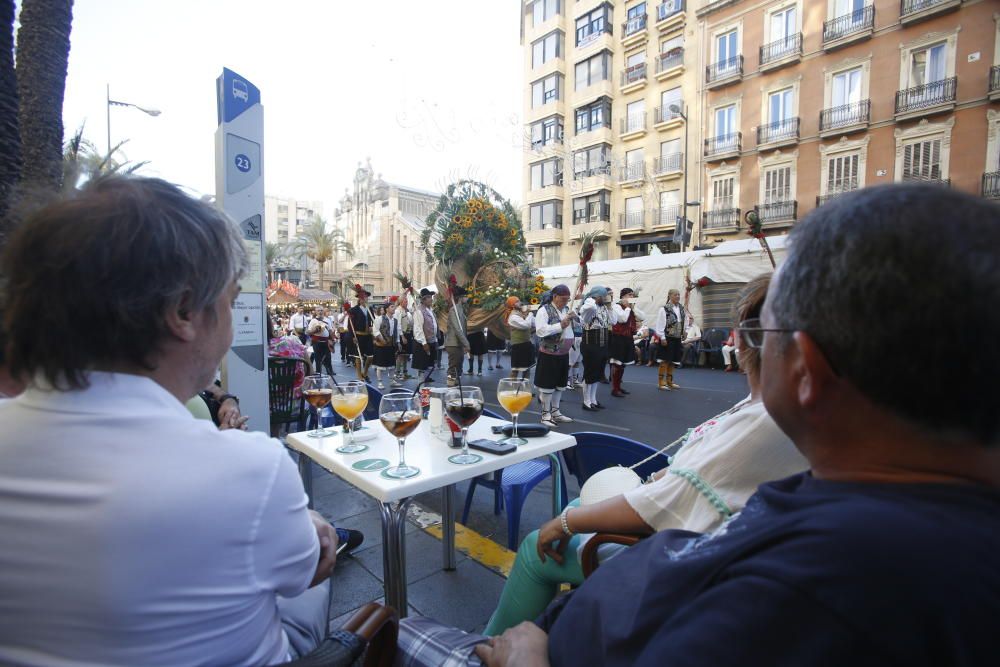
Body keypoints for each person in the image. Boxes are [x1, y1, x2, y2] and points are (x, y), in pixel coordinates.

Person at [392, 182, 1000, 667]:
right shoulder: (899, 521)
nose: (743, 345)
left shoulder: (798, 594)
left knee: (391, 628)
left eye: (763, 332)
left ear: (808, 369)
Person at [0, 177, 363, 666]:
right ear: (184, 311)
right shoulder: (251, 467)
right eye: (231, 301)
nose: (232, 325)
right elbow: (308, 570)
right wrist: (313, 525)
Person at [483, 273, 807, 635]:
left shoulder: (769, 417)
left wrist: (564, 525)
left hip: (663, 550)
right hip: (677, 529)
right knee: (574, 498)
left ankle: (487, 651)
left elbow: (661, 507)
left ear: (749, 339)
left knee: (535, 546)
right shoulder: (771, 405)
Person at [533, 285, 576, 428]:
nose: (565, 302)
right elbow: (540, 331)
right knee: (547, 385)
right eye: (563, 299)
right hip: (549, 354)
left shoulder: (565, 310)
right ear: (555, 296)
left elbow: (576, 326)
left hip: (563, 353)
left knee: (560, 385)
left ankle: (555, 411)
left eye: (567, 299)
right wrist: (560, 326)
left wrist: (574, 318)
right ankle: (545, 414)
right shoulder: (543, 311)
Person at [579, 285, 611, 411]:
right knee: (590, 373)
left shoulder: (604, 308)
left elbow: (613, 321)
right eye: (604, 296)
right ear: (597, 296)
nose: (606, 298)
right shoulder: (588, 306)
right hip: (590, 344)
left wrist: (610, 307)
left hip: (602, 344)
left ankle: (593, 400)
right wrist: (591, 298)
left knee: (597, 374)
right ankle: (586, 402)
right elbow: (589, 308)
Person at [609, 287, 644, 398]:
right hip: (618, 338)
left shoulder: (631, 307)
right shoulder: (616, 306)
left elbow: (643, 317)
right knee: (617, 364)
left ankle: (619, 386)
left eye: (632, 295)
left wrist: (633, 308)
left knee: (623, 364)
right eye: (630, 295)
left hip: (628, 338)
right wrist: (628, 308)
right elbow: (622, 319)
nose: (632, 297)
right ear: (623, 296)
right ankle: (615, 389)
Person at [653, 288, 686, 390]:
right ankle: (661, 383)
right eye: (675, 295)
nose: (678, 296)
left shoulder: (681, 308)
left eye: (679, 295)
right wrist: (662, 338)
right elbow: (660, 325)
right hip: (667, 338)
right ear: (670, 296)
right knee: (665, 360)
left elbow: (683, 321)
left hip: (677, 338)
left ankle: (669, 381)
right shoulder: (664, 309)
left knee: (673, 360)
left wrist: (684, 331)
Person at [445, 285, 471, 387]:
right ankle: (450, 388)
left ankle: (455, 389)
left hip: (459, 344)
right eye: (465, 296)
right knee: (453, 368)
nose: (467, 298)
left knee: (458, 368)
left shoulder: (461, 309)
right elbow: (457, 329)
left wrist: (464, 344)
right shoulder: (453, 310)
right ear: (460, 297)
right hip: (453, 344)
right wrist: (466, 343)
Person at [373, 299, 401, 389]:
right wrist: (381, 339)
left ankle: (392, 380)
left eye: (394, 306)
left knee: (392, 365)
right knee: (380, 365)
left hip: (391, 345)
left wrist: (398, 342)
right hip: (381, 346)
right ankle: (380, 382)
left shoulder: (395, 320)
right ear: (386, 309)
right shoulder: (379, 319)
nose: (394, 308)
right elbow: (375, 331)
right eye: (392, 307)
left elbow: (396, 332)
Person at [505, 296, 535, 380]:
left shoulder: (521, 313)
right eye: (517, 301)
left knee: (527, 370)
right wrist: (530, 314)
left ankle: (525, 390)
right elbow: (527, 325)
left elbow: (533, 324)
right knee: (515, 370)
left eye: (519, 301)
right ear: (512, 305)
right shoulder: (513, 317)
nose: (520, 303)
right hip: (518, 346)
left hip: (527, 344)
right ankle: (512, 390)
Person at [349, 284, 374, 381]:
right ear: (359, 299)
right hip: (358, 335)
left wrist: (372, 328)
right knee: (358, 357)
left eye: (366, 297)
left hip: (368, 336)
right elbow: (350, 325)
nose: (365, 299)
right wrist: (353, 337)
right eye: (363, 297)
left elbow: (373, 320)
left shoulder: (370, 308)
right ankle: (359, 376)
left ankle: (365, 372)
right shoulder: (353, 310)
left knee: (371, 356)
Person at [412, 287, 439, 373]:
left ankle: (425, 382)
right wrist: (424, 343)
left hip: (431, 341)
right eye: (429, 297)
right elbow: (418, 329)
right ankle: (421, 385)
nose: (431, 299)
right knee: (422, 366)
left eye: (431, 297)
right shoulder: (419, 311)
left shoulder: (431, 310)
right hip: (422, 343)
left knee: (428, 365)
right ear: (423, 300)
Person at [307, 307, 334, 377]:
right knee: (317, 358)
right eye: (318, 310)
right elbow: (308, 332)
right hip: (317, 341)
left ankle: (330, 371)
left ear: (323, 311)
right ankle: (318, 372)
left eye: (321, 310)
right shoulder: (313, 321)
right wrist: (315, 330)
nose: (320, 312)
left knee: (328, 356)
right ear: (316, 312)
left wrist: (332, 339)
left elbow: (330, 330)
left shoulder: (327, 320)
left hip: (326, 341)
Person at [395, 294, 414, 382]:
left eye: (407, 301)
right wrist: (402, 336)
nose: (406, 302)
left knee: (406, 355)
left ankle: (405, 373)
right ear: (401, 301)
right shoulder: (398, 310)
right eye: (405, 301)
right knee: (400, 355)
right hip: (402, 334)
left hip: (408, 334)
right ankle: (397, 373)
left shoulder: (406, 310)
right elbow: (398, 324)